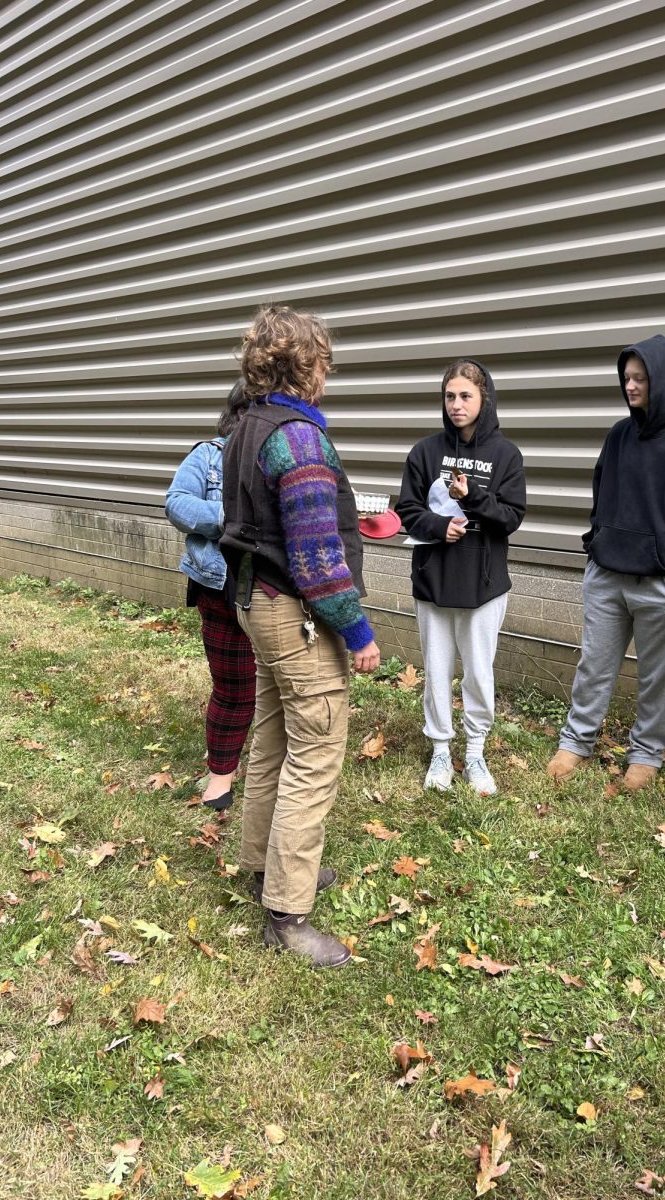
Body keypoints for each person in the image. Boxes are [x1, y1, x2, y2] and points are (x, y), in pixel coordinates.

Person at [220, 305, 380, 967]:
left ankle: (263, 867)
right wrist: (360, 631)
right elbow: (317, 560)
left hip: (254, 603)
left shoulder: (242, 427)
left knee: (275, 736)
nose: (327, 374)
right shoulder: (300, 438)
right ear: (304, 365)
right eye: (322, 362)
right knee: (315, 752)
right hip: (295, 611)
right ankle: (287, 915)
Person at [547, 335, 665, 789]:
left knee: (656, 675)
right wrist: (597, 541)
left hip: (661, 583)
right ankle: (576, 741)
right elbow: (601, 490)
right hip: (606, 575)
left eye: (641, 378)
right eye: (626, 378)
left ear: (663, 380)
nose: (631, 386)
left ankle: (646, 754)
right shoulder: (619, 434)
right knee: (594, 664)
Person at [396, 359, 526, 797]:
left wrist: (472, 500)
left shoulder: (506, 455)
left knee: (477, 673)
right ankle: (439, 748)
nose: (456, 404)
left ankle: (474, 750)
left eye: (465, 396)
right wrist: (438, 527)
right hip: (434, 582)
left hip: (483, 586)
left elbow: (511, 517)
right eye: (449, 396)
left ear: (484, 398)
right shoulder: (425, 452)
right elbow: (408, 510)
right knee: (436, 672)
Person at [164, 382, 255, 811]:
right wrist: (226, 518)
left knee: (275, 687)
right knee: (233, 685)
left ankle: (274, 769)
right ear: (238, 412)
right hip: (221, 587)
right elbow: (177, 503)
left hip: (274, 590)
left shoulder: (277, 457)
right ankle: (221, 775)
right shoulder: (208, 456)